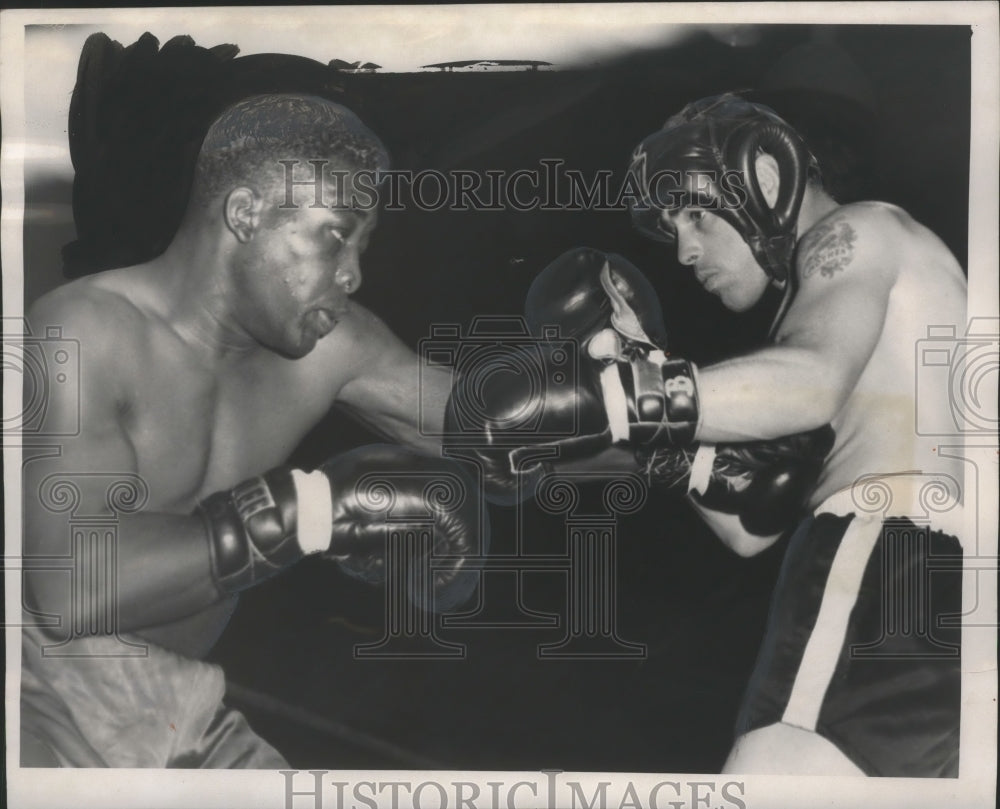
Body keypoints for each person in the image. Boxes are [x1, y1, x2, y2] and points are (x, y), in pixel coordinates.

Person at [463, 93, 966, 777]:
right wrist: (639, 373)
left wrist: (608, 398)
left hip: (881, 561)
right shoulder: (844, 310)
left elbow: (811, 381)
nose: (685, 249)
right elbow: (750, 525)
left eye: (695, 213)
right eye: (673, 228)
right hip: (944, 596)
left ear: (764, 176)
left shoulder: (857, 232)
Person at [20, 93, 482, 768]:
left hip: (183, 706)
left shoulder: (330, 348)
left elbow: (503, 428)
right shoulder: (85, 329)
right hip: (38, 683)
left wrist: (650, 406)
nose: (353, 273)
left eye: (363, 245)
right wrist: (317, 509)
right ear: (245, 214)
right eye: (335, 234)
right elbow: (75, 588)